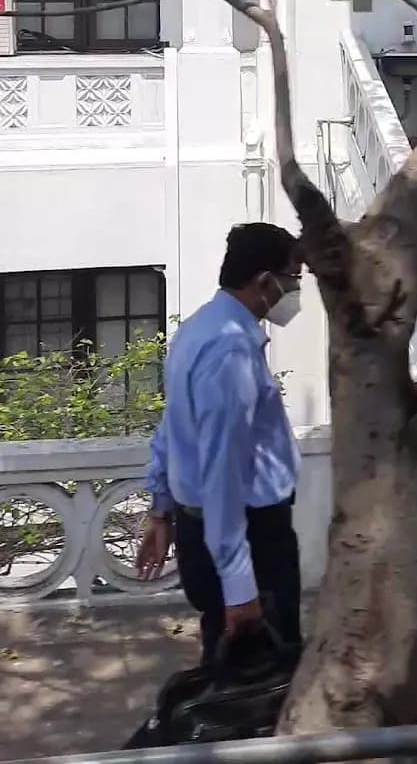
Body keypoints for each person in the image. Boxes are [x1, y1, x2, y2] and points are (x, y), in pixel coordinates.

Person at [136, 222, 303, 665]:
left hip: (203, 528)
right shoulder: (230, 349)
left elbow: (173, 427)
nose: (294, 290)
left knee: (228, 668)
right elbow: (223, 471)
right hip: (249, 536)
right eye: (292, 278)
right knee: (259, 678)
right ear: (265, 281)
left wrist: (161, 508)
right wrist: (241, 588)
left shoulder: (198, 329)